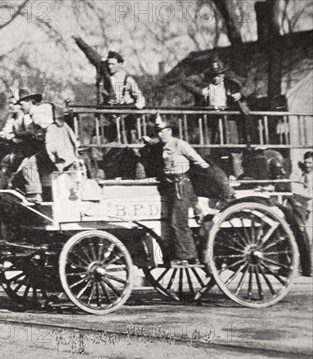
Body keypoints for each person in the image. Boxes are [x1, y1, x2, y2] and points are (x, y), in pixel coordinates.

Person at [156, 115, 210, 266]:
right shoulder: (164, 147)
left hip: (182, 184)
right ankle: (183, 253)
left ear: (169, 131)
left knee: (178, 221)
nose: (160, 134)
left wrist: (204, 177)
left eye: (162, 131)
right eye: (158, 132)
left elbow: (200, 162)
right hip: (172, 185)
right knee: (174, 220)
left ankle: (188, 256)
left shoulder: (180, 145)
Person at [183, 57, 251, 144]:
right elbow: (186, 82)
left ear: (223, 74)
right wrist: (200, 91)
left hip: (227, 116)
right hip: (209, 117)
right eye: (213, 75)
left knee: (232, 143)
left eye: (218, 75)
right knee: (207, 144)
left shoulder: (231, 79)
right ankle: (208, 157)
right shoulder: (204, 79)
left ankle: (234, 155)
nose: (215, 78)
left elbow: (250, 83)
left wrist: (241, 93)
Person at [97, 51, 146, 145]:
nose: (110, 66)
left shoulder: (128, 79)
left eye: (113, 64)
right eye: (109, 64)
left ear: (120, 64)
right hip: (111, 115)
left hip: (126, 114)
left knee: (127, 138)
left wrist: (136, 108)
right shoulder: (106, 79)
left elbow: (140, 97)